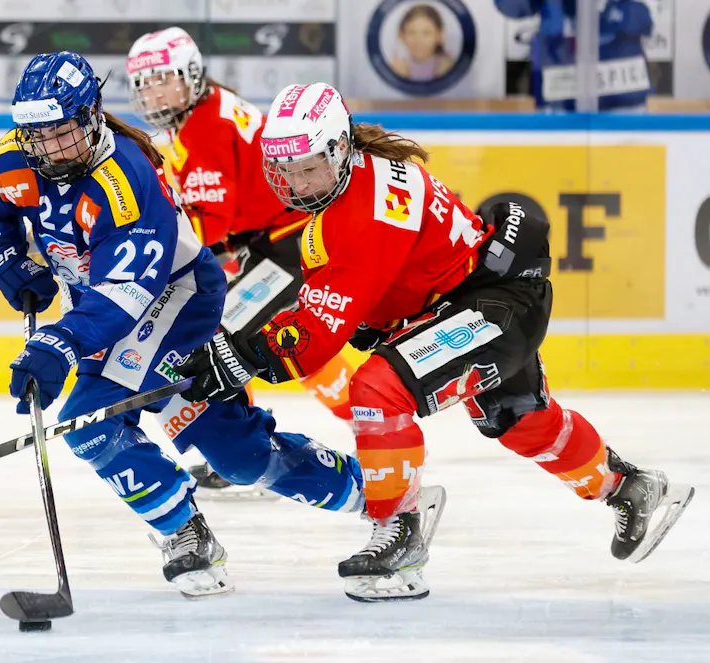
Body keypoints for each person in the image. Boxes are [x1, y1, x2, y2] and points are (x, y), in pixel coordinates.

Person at [178, 81, 695, 601]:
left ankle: (399, 529)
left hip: (491, 304)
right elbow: (344, 294)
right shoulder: (349, 182)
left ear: (339, 147)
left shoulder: (365, 205)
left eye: (307, 165)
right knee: (518, 418)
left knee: (379, 390)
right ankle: (631, 487)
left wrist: (239, 355)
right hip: (476, 299)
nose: (296, 182)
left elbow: (319, 327)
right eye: (283, 169)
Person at [0, 53, 367, 599]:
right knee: (241, 457)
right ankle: (190, 530)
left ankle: (380, 499)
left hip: (174, 302)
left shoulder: (124, 181)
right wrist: (6, 259)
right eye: (37, 134)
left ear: (91, 116)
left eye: (62, 132)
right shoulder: (14, 158)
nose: (50, 147)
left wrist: (60, 344)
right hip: (103, 313)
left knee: (89, 418)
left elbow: (125, 293)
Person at [126, 26, 358, 498]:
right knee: (253, 340)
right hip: (278, 238)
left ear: (191, 76)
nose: (152, 92)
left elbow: (210, 224)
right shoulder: (207, 110)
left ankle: (245, 443)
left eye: (162, 79)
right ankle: (357, 417)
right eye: (143, 84)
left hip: (286, 242)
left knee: (217, 336)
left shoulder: (206, 126)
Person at [494, 0, 653, 112]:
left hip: (624, 93)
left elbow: (648, 17)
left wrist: (619, 15)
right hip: (560, 93)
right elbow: (511, 5)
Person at [390, 4, 455, 82]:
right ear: (402, 36)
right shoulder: (399, 67)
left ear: (439, 36)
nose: (418, 40)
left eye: (426, 33)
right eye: (411, 32)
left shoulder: (447, 66)